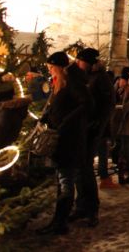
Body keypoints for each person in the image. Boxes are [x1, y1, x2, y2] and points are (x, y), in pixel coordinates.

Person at [38, 52, 92, 236]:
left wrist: (65, 122)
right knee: (62, 180)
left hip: (69, 139)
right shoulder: (59, 84)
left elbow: (85, 104)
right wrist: (46, 117)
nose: (50, 71)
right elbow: (56, 105)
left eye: (52, 67)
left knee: (65, 181)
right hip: (60, 137)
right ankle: (58, 220)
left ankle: (60, 222)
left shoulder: (73, 83)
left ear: (60, 67)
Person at [71, 48, 112, 228]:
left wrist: (98, 125)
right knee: (80, 169)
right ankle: (81, 205)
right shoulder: (86, 77)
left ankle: (91, 209)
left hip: (92, 130)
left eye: (80, 61)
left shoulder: (101, 79)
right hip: (83, 128)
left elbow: (108, 106)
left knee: (86, 169)